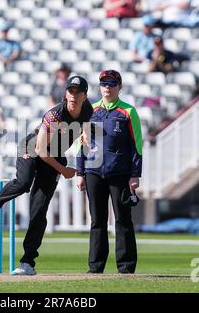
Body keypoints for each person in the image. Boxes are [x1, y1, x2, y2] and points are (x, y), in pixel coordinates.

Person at [0, 75, 93, 275]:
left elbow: (84, 135)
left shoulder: (88, 111)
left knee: (39, 209)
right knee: (24, 184)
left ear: (85, 96)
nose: (73, 96)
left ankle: (27, 263)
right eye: (70, 91)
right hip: (33, 148)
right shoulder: (55, 114)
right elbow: (42, 150)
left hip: (56, 155)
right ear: (65, 93)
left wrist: (85, 142)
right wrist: (64, 170)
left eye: (78, 92)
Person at [76, 69, 142, 274]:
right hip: (93, 172)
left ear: (119, 87)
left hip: (120, 173)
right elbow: (82, 143)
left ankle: (126, 266)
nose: (107, 87)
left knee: (123, 220)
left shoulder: (128, 112)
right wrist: (80, 172)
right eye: (104, 84)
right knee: (97, 221)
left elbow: (136, 145)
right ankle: (95, 267)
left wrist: (135, 174)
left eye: (112, 84)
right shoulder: (91, 110)